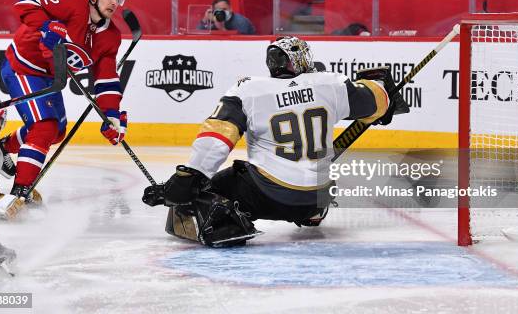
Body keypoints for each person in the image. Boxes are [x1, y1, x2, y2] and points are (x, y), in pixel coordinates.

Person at [142, 36, 407, 247]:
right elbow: (380, 101)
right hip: (317, 197)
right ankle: (314, 214)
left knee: (209, 190)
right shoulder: (331, 84)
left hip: (266, 197)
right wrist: (380, 90)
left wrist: (190, 177)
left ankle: (228, 225)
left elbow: (216, 139)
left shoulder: (248, 90)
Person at [0, 0, 129, 201]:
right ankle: (20, 193)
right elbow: (25, 3)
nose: (114, 2)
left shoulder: (111, 36)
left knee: (57, 132)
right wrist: (46, 26)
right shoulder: (73, 2)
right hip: (23, 67)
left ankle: (0, 149)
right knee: (44, 127)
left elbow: (106, 78)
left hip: (50, 79)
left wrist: (111, 114)